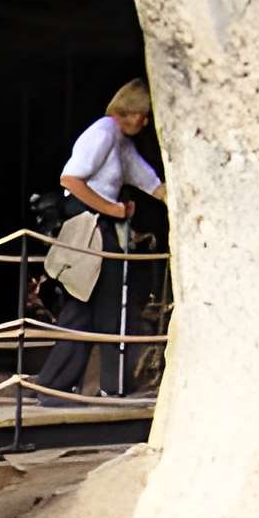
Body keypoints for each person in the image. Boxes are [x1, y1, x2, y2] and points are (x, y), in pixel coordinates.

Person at [35, 78, 166, 400]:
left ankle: (54, 388)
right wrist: (115, 209)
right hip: (90, 226)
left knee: (84, 307)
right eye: (143, 114)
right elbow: (71, 178)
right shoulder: (104, 132)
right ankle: (110, 385)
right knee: (107, 305)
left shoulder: (120, 141)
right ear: (130, 109)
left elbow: (147, 180)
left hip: (102, 225)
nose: (145, 122)